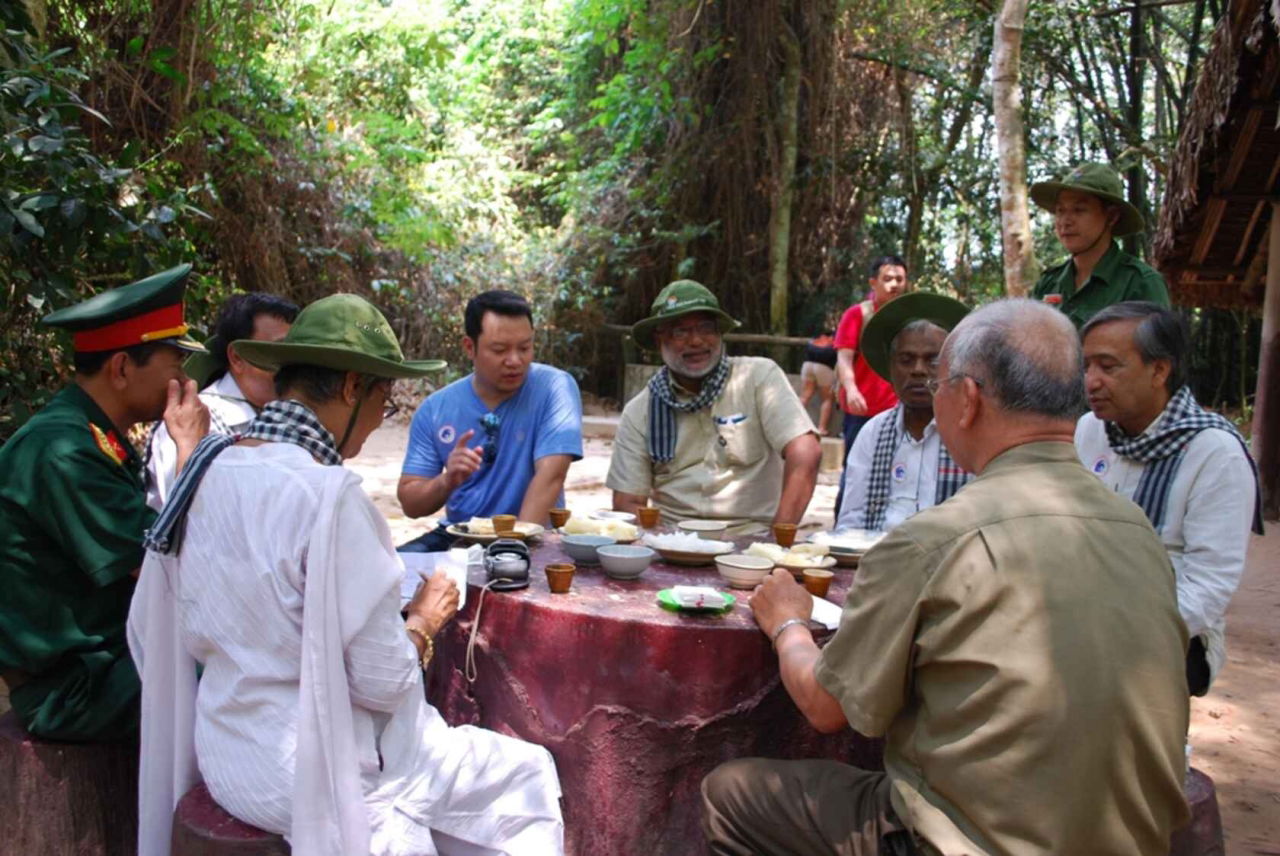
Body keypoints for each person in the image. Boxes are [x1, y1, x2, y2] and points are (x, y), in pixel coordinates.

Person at [702, 299, 1190, 856]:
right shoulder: (1137, 531)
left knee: (730, 794)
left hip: (968, 844)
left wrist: (788, 623)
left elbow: (825, 706)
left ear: (968, 399)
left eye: (938, 380)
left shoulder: (933, 540)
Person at [128, 294, 564, 856]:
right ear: (354, 389)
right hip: (317, 775)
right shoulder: (330, 497)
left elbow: (150, 627)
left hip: (226, 751)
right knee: (527, 772)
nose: (383, 417)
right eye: (384, 397)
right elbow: (382, 681)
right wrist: (424, 620)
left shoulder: (209, 467)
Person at [0, 264, 208, 741]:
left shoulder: (90, 433)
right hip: (74, 686)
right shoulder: (64, 450)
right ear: (120, 368)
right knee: (248, 675)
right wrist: (191, 451)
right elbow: (165, 565)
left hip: (109, 656)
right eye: (174, 363)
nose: (182, 378)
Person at [1076, 301, 1263, 696]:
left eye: (1107, 367)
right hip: (1084, 612)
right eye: (1087, 366)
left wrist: (1117, 631)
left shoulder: (1214, 452)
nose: (1090, 381)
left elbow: (1209, 583)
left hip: (1172, 633)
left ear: (1159, 370)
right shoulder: (1091, 431)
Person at [608, 280, 820, 529]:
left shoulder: (758, 377)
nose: (696, 341)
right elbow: (628, 502)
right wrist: (661, 545)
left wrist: (777, 539)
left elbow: (806, 451)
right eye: (680, 331)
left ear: (720, 333)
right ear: (659, 340)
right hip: (672, 541)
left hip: (753, 541)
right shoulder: (640, 410)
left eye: (706, 328)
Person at [398, 290, 583, 551]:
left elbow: (551, 476)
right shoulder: (435, 409)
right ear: (469, 347)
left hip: (532, 536)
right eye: (499, 350)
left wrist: (511, 549)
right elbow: (410, 503)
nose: (515, 361)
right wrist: (446, 480)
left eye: (525, 348)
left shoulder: (554, 388)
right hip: (459, 534)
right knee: (394, 574)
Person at [145, 292, 298, 509]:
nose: (290, 365)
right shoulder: (192, 421)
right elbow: (182, 520)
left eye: (293, 352)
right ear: (236, 357)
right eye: (277, 351)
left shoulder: (285, 414)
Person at [835, 292, 971, 532]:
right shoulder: (873, 434)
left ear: (954, 367)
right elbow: (850, 524)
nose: (918, 371)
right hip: (877, 562)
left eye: (933, 361)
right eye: (906, 360)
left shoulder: (972, 435)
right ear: (891, 367)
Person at [1030, 161, 1170, 327]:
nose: (1065, 222)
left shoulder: (1140, 283)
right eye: (1060, 211)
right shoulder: (1049, 283)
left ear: (1111, 217)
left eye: (1079, 210)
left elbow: (1158, 350)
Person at [832, 255, 909, 520]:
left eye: (899, 279)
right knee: (855, 472)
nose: (894, 284)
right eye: (887, 279)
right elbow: (844, 356)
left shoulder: (909, 317)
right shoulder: (858, 314)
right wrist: (851, 389)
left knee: (899, 473)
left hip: (898, 411)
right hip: (861, 410)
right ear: (873, 282)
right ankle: (842, 529)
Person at [799, 328, 837, 436]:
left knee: (804, 397)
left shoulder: (817, 338)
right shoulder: (835, 339)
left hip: (807, 365)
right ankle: (821, 428)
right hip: (824, 367)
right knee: (827, 399)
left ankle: (796, 425)